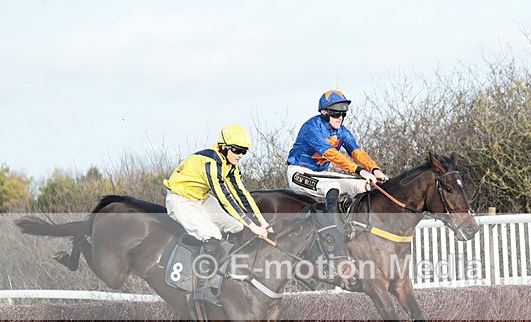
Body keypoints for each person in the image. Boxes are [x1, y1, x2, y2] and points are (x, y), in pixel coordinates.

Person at [164, 124, 270, 306]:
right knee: (212, 234)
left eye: (244, 151)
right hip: (180, 200)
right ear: (223, 146)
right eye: (237, 150)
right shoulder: (212, 163)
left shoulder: (231, 165)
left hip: (201, 198)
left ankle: (226, 272)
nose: (240, 155)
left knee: (236, 226)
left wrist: (262, 221)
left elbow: (241, 193)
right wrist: (252, 226)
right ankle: (201, 289)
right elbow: (225, 198)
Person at [287, 90, 388, 253]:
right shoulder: (311, 128)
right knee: (332, 187)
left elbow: (356, 152)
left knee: (364, 186)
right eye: (335, 113)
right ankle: (334, 233)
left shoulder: (342, 131)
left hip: (319, 175)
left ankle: (355, 227)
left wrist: (374, 170)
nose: (340, 117)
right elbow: (331, 154)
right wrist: (359, 170)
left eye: (343, 113)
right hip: (299, 173)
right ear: (324, 112)